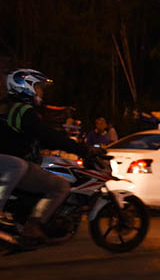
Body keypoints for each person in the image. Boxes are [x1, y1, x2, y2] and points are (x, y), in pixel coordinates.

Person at [0, 69, 99, 246]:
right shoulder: (23, 111)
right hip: (12, 163)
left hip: (14, 162)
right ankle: (33, 226)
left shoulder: (7, 107)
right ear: (26, 87)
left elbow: (28, 137)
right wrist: (82, 149)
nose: (42, 93)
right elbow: (47, 135)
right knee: (60, 186)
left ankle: (21, 221)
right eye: (39, 88)